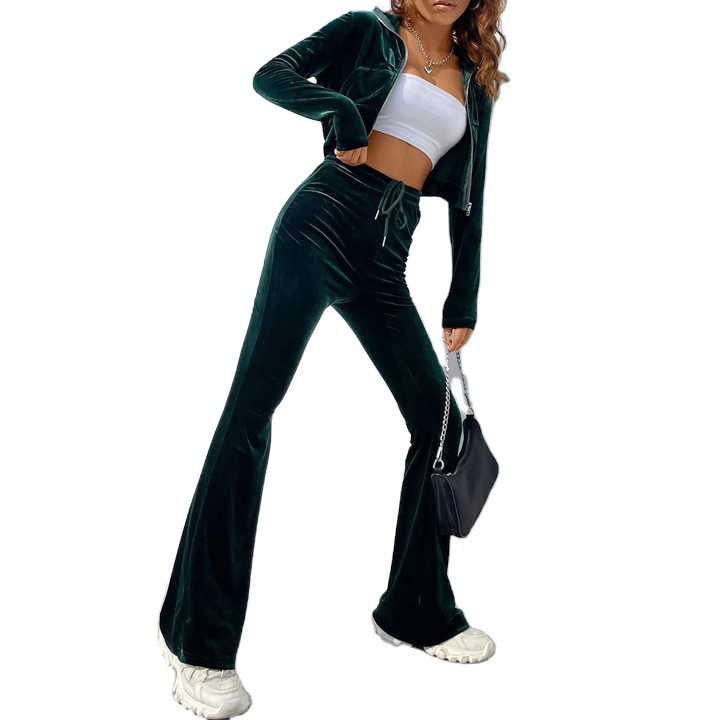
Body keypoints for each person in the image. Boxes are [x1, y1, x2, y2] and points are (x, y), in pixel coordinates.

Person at [157, 1, 508, 716]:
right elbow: (272, 75)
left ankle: (415, 608)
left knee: (438, 425)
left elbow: (470, 196)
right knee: (250, 417)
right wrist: (342, 112)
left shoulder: (476, 78)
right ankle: (196, 642)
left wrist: (462, 296)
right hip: (320, 223)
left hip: (388, 253)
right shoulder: (365, 31)